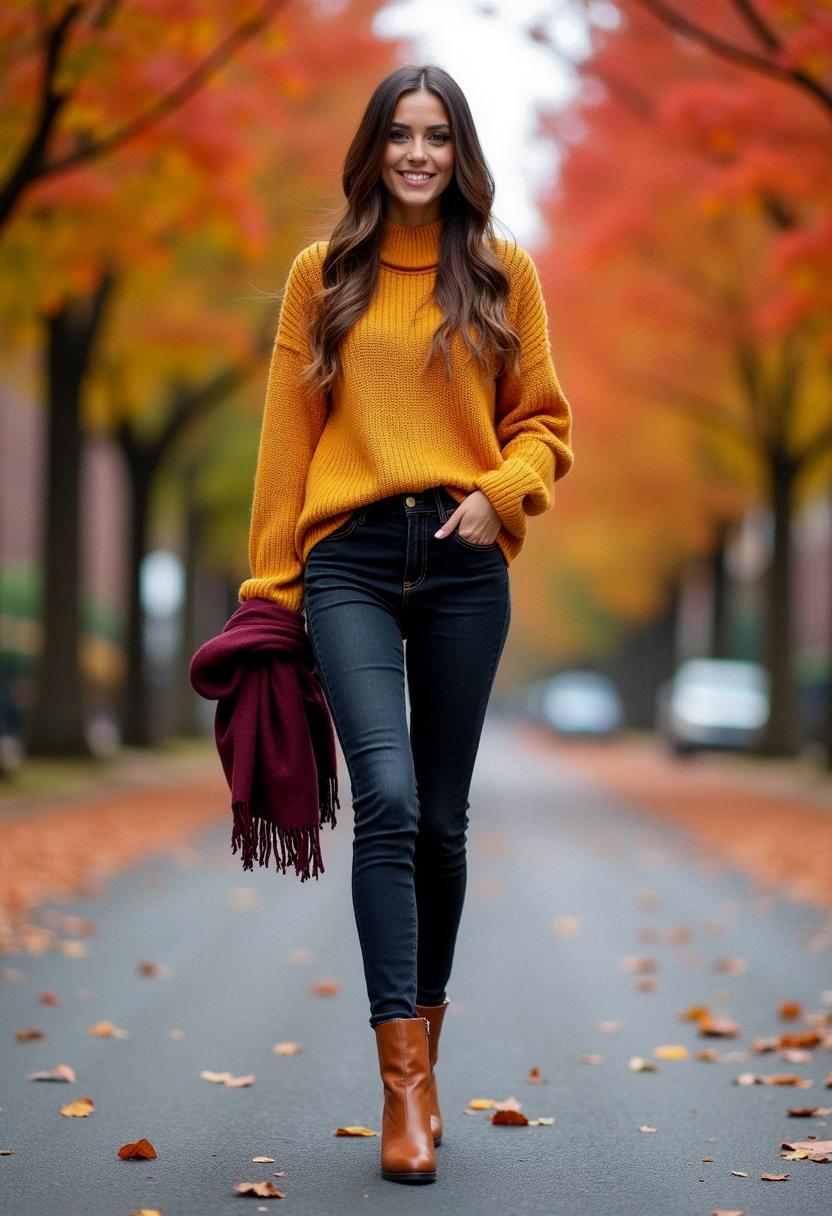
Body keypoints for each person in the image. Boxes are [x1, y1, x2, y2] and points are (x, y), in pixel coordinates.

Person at [238, 63, 574, 1186]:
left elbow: (544, 423)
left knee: (439, 820)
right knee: (382, 793)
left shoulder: (502, 273)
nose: (417, 154)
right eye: (399, 135)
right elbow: (287, 440)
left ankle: (426, 1053)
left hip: (466, 561)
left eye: (436, 136)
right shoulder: (322, 273)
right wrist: (269, 593)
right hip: (350, 556)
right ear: (372, 150)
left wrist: (500, 493)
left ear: (459, 151)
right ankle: (401, 1087)